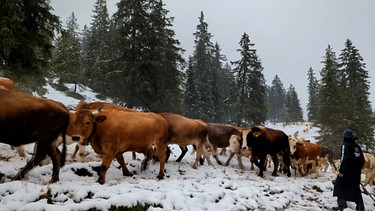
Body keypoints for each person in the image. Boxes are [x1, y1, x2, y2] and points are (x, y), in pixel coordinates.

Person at [333, 129, 365, 211]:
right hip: (356, 173)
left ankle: (342, 204)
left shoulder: (345, 145)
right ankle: (360, 206)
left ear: (344, 136)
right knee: (355, 188)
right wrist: (357, 169)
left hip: (346, 172)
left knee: (339, 185)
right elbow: (362, 160)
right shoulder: (357, 146)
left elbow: (344, 158)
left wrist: (341, 171)